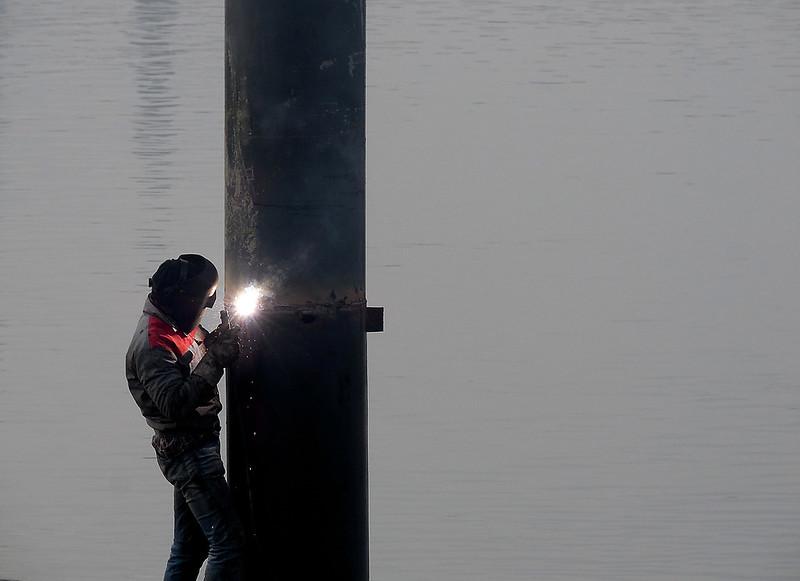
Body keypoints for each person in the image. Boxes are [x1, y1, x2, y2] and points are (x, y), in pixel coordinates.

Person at [125, 254, 244, 580]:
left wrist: (216, 341)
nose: (204, 310)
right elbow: (174, 404)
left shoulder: (176, 323)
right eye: (203, 303)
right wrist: (216, 360)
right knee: (229, 546)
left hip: (193, 447)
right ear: (183, 299)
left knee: (191, 548)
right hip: (189, 453)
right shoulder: (153, 343)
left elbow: (197, 349)